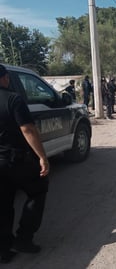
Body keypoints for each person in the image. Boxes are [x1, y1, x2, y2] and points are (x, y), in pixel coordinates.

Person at [0, 64, 50, 264]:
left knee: (3, 204)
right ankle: (23, 238)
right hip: (18, 159)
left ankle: (3, 249)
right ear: (4, 78)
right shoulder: (13, 98)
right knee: (37, 192)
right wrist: (43, 157)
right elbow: (28, 129)